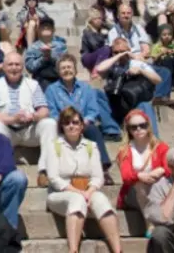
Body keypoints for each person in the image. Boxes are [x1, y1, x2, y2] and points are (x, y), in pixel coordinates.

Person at [44, 107, 123, 253]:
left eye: (75, 122)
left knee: (102, 202)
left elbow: (98, 176)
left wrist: (89, 191)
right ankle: (73, 250)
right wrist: (79, 193)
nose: (71, 126)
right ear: (62, 126)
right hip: (60, 193)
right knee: (76, 200)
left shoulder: (91, 146)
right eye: (67, 123)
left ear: (82, 125)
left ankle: (117, 250)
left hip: (88, 190)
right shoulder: (54, 145)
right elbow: (54, 178)